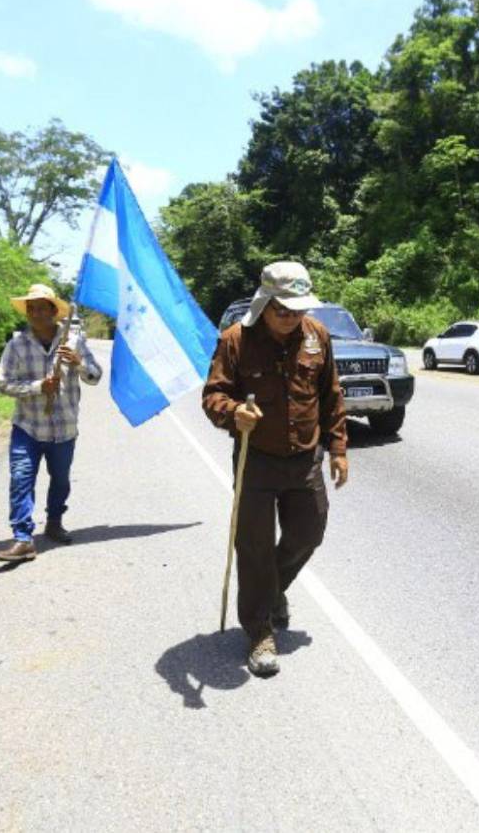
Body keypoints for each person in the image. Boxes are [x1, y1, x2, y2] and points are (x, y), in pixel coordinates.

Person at [202, 261, 348, 676]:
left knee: (309, 532)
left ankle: (270, 592)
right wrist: (233, 413)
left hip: (304, 458)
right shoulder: (235, 341)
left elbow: (330, 394)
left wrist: (338, 448)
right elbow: (213, 395)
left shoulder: (316, 336)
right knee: (254, 547)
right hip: (257, 459)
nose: (291, 318)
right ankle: (259, 630)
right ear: (263, 303)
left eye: (298, 309)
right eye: (282, 309)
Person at [0, 283, 102, 562]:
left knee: (61, 481)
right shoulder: (17, 345)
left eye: (43, 308)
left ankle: (54, 522)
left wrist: (78, 362)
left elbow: (94, 376)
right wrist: (38, 387)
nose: (37, 313)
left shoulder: (73, 342)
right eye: (32, 308)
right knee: (21, 479)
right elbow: (3, 384)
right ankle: (23, 538)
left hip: (64, 428)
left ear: (55, 311)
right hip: (28, 427)